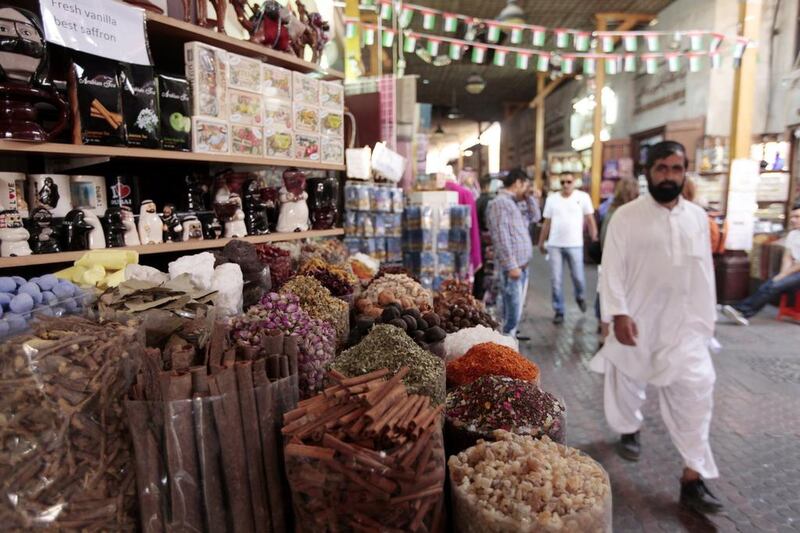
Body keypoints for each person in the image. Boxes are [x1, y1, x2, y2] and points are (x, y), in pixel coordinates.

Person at [589, 141, 723, 514]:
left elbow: (703, 274)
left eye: (676, 169)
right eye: (662, 168)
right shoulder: (627, 217)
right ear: (648, 172)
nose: (669, 176)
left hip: (686, 328)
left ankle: (693, 477)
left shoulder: (698, 217)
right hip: (638, 319)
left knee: (698, 392)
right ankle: (629, 428)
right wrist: (617, 314)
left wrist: (705, 324)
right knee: (628, 378)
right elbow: (611, 268)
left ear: (685, 172)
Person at [722, 202, 800, 325]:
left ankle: (742, 310)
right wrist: (782, 273)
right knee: (770, 283)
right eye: (792, 217)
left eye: (797, 217)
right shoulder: (793, 234)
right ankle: (740, 310)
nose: (793, 220)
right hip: (792, 270)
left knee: (775, 285)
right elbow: (787, 257)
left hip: (797, 271)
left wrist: (783, 275)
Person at [487, 168, 541, 339]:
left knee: (515, 310)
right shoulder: (500, 203)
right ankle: (506, 345)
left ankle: (510, 342)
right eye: (526, 185)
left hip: (521, 265)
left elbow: (536, 218)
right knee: (511, 313)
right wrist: (511, 265)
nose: (528, 189)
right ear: (518, 183)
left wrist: (530, 197)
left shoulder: (515, 202)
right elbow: (500, 236)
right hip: (513, 268)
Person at [537, 173, 598, 324]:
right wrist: (541, 241)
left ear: (574, 182)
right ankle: (559, 310)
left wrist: (594, 238)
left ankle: (580, 297)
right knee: (556, 280)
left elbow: (590, 219)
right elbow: (547, 223)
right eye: (562, 182)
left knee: (578, 276)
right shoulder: (552, 199)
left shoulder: (583, 197)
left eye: (568, 181)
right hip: (555, 244)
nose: (565, 184)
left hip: (575, 244)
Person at [596, 178, 640, 342]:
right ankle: (607, 338)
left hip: (609, 264)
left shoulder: (610, 210)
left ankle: (605, 335)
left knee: (605, 300)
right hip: (620, 265)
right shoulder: (623, 214)